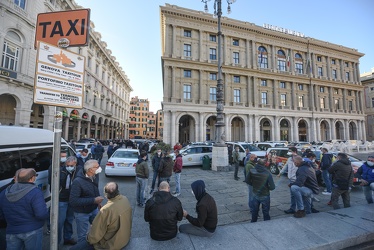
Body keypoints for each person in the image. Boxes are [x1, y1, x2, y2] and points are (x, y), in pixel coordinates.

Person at [71, 182, 132, 250]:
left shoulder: (106, 210)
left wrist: (88, 236)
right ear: (117, 191)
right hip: (124, 238)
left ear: (106, 195)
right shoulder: (125, 199)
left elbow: (94, 237)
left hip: (111, 244)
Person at [0, 168, 49, 250]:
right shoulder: (35, 192)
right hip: (33, 230)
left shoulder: (4, 192)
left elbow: (1, 215)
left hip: (12, 231)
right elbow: (41, 214)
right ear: (32, 178)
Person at [69, 160, 104, 241]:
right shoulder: (77, 182)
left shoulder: (95, 176)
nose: (99, 168)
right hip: (82, 213)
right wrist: (94, 200)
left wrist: (97, 202)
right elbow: (73, 201)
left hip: (94, 209)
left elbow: (95, 189)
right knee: (82, 236)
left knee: (97, 229)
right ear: (90, 169)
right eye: (97, 167)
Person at [48, 156, 79, 245]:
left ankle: (67, 238)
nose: (69, 167)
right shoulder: (60, 171)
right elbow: (52, 184)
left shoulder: (78, 171)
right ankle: (56, 242)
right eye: (68, 165)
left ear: (75, 164)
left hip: (71, 200)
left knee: (69, 220)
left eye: (71, 165)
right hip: (61, 200)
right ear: (65, 164)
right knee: (59, 222)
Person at [278, 147, 299, 214]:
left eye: (290, 151)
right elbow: (286, 166)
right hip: (290, 179)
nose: (289, 152)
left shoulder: (299, 158)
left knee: (298, 194)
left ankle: (300, 208)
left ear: (294, 151)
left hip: (297, 179)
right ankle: (293, 208)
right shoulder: (290, 159)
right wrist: (280, 173)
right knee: (292, 195)